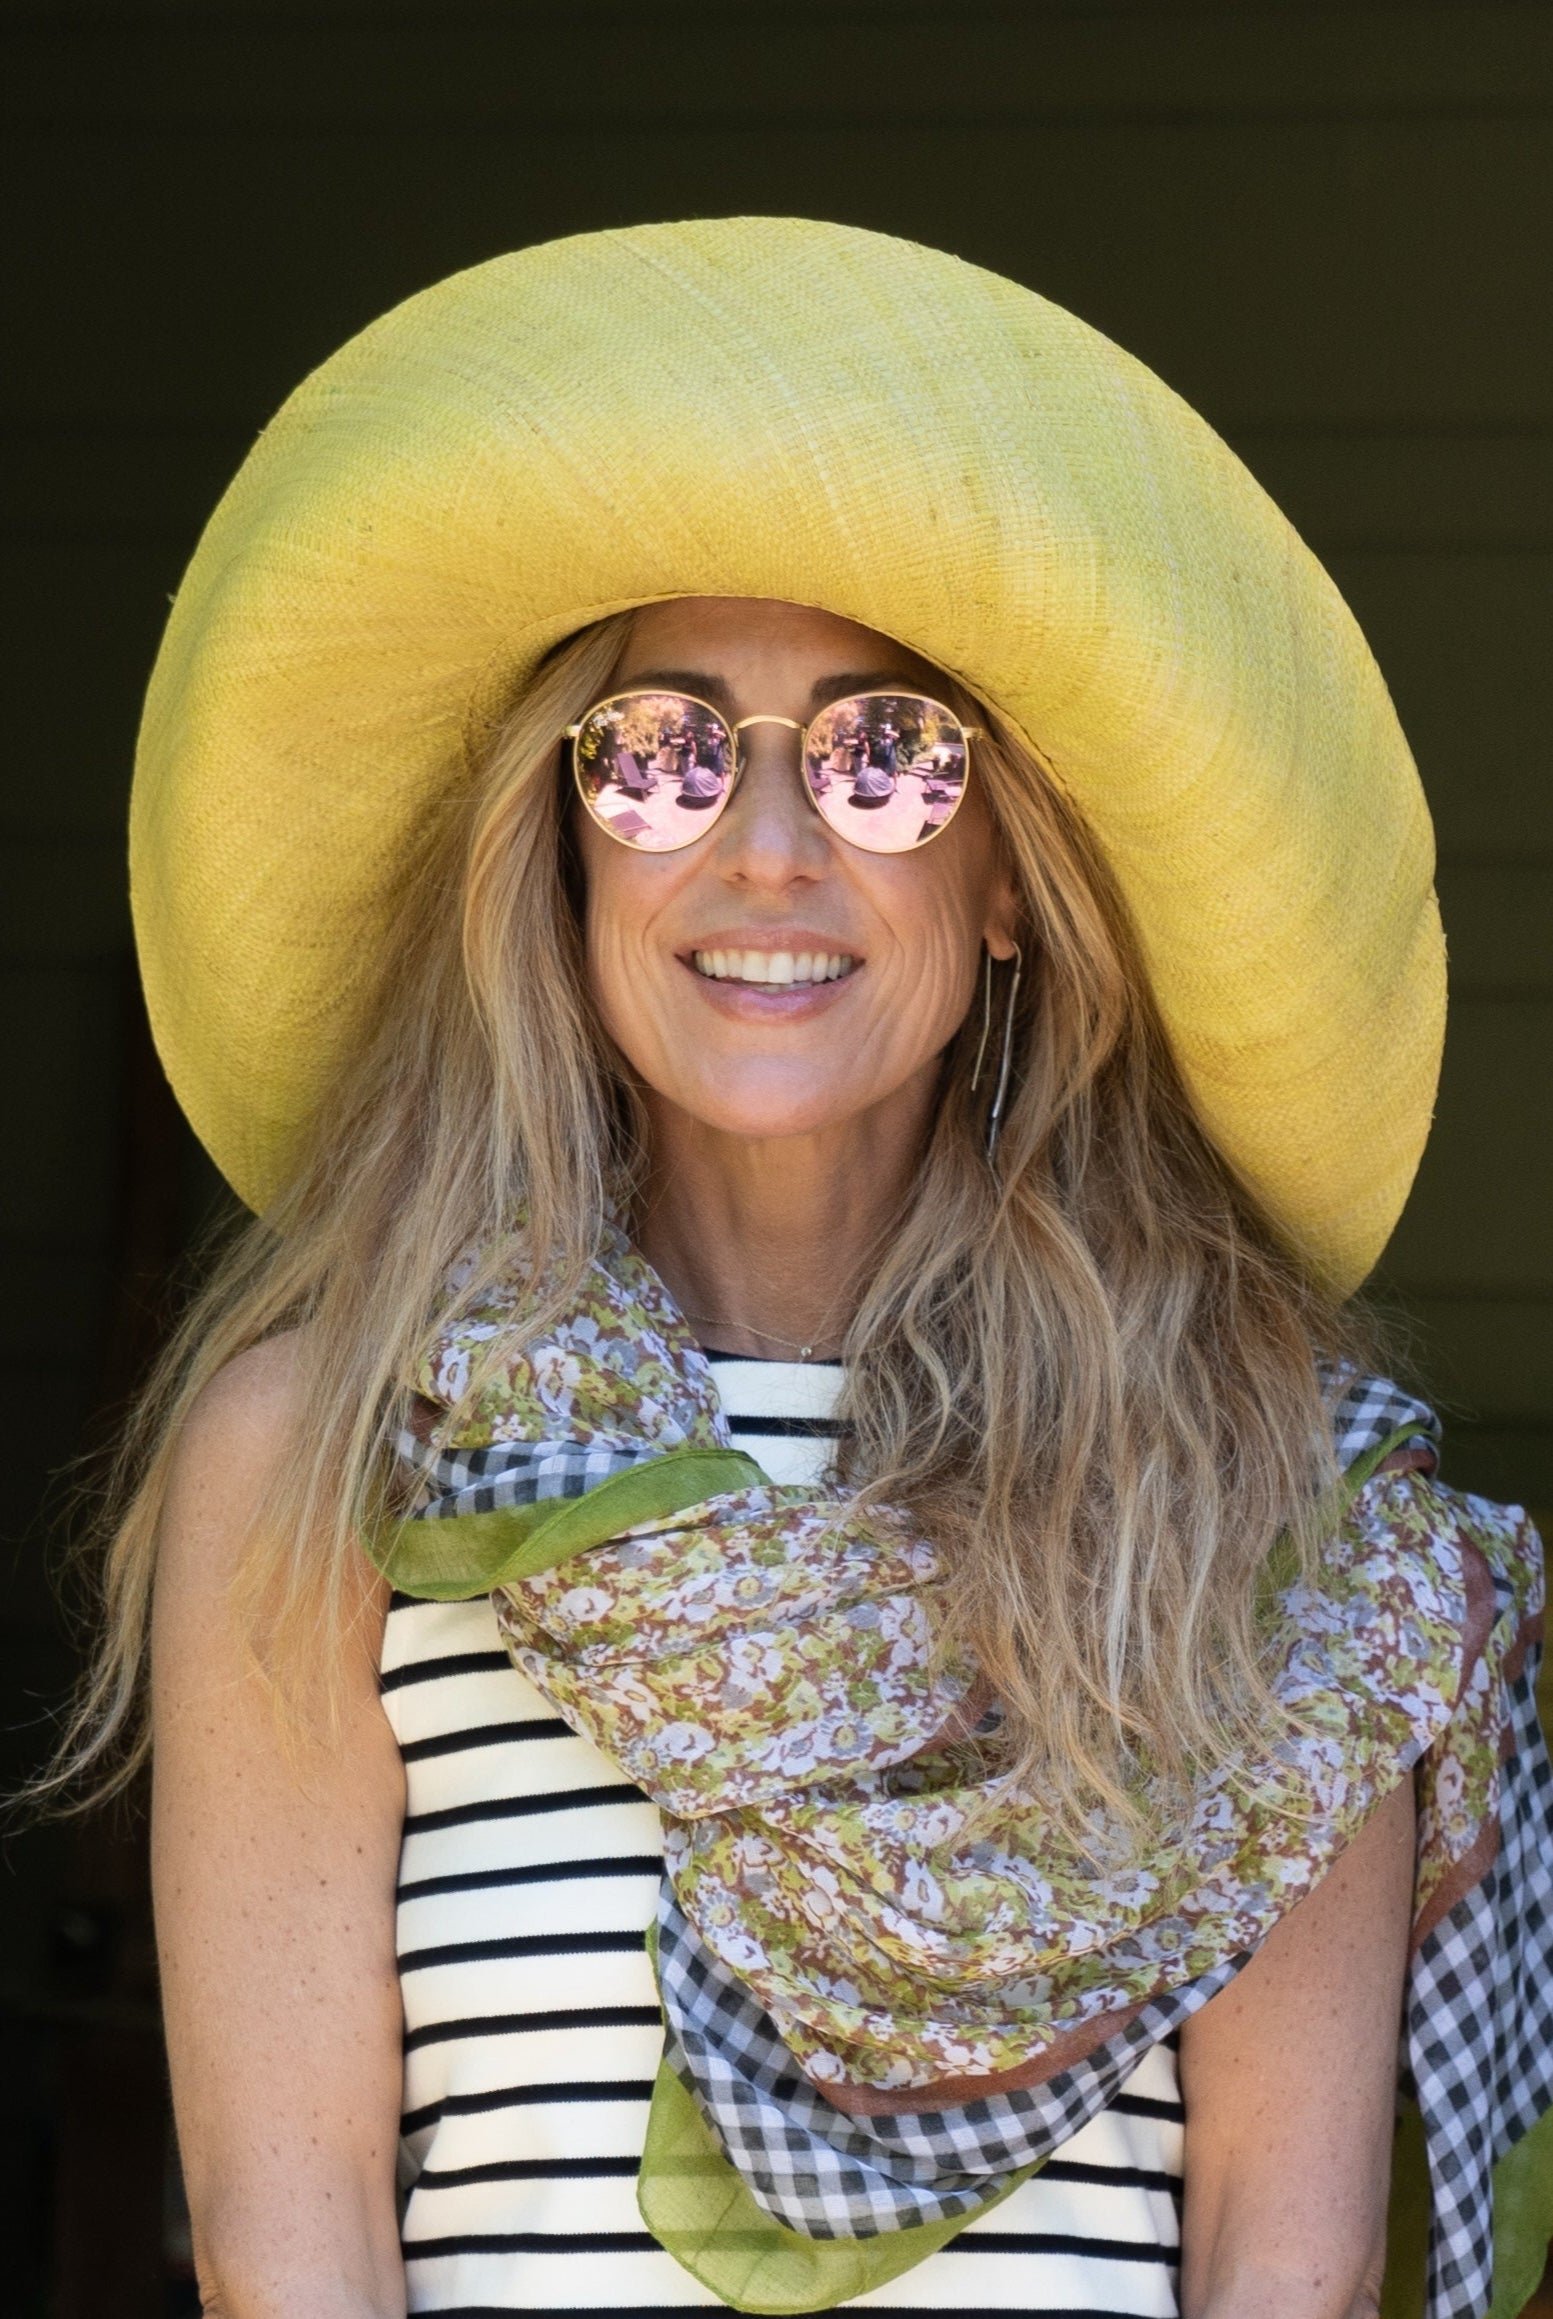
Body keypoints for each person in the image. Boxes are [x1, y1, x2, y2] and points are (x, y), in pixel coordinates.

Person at [51, 219, 1551, 2319]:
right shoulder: (326, 1458)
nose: (766, 848)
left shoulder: (1263, 1488)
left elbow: (1277, 2258)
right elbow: (291, 2237)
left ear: (1012, 877)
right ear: (564, 859)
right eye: (661, 748)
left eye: (887, 754)